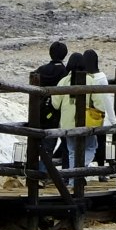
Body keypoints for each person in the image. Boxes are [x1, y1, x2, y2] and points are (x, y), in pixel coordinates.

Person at [29, 39, 72, 178]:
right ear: (65, 55)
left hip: (38, 110)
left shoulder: (41, 70)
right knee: (52, 143)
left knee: (37, 143)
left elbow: (32, 79)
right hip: (55, 112)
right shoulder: (64, 73)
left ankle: (34, 172)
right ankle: (44, 174)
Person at [64, 48, 104, 179]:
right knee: (91, 147)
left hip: (66, 122)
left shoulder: (64, 81)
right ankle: (79, 170)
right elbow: (99, 103)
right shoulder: (91, 80)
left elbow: (55, 103)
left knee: (71, 151)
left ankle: (72, 180)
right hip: (85, 121)